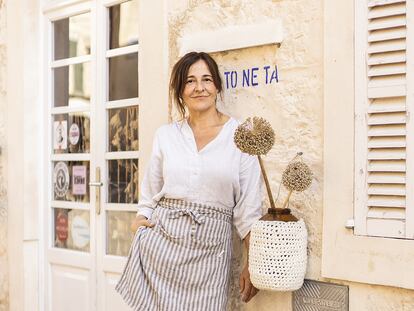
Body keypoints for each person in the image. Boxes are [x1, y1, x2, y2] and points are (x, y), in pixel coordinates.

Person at [116, 51, 263, 310]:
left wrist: (251, 262)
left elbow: (248, 210)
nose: (199, 88)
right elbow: (149, 196)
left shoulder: (240, 136)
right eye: (190, 81)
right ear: (180, 90)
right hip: (163, 246)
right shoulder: (166, 135)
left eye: (206, 80)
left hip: (210, 253)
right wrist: (140, 225)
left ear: (217, 86)